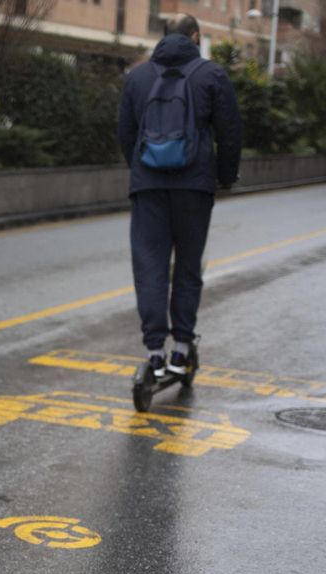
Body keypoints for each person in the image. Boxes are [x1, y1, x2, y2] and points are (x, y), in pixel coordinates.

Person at [116, 14, 241, 378]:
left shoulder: (137, 77)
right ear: (196, 36)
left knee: (150, 266)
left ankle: (155, 351)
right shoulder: (212, 74)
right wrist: (225, 177)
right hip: (194, 186)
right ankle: (182, 350)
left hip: (148, 187)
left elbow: (125, 133)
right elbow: (230, 132)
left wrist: (141, 168)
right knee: (187, 267)